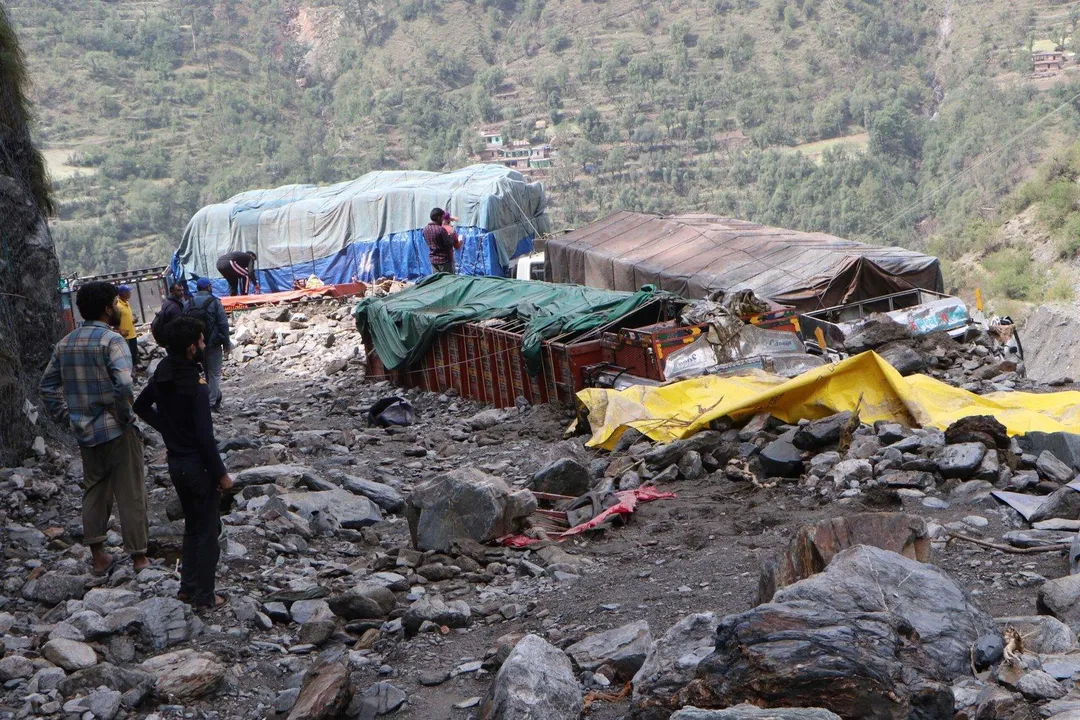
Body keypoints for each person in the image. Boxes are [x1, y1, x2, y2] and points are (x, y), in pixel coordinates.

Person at [39, 281, 149, 575]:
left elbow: (47, 387)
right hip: (117, 428)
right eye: (114, 303)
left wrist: (66, 416)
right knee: (131, 491)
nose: (117, 307)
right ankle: (139, 558)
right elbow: (124, 384)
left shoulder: (65, 344)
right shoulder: (112, 341)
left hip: (85, 432)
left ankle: (99, 558)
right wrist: (126, 415)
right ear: (106, 308)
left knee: (95, 490)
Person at [134, 317, 232, 609]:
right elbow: (205, 436)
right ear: (192, 347)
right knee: (208, 531)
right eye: (201, 341)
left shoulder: (164, 371)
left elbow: (140, 405)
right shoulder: (196, 384)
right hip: (197, 466)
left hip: (176, 463)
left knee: (192, 526)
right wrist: (222, 474)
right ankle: (205, 595)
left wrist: (167, 428)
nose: (203, 345)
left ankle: (187, 588)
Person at [186, 278, 230, 411]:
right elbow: (223, 323)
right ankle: (211, 403)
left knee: (206, 372)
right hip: (213, 343)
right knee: (214, 373)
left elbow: (184, 323)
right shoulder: (215, 302)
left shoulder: (189, 303)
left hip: (197, 344)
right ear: (209, 287)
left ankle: (214, 397)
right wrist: (226, 342)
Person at [423, 207, 462, 274]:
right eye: (441, 217)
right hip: (444, 261)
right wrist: (454, 238)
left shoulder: (425, 229)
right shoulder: (441, 230)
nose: (442, 219)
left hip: (433, 260)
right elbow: (449, 244)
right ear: (438, 217)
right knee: (447, 281)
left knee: (437, 281)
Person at [116, 285, 139, 369]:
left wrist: (133, 320)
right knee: (127, 356)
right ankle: (128, 374)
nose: (130, 293)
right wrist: (119, 331)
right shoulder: (118, 306)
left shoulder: (127, 303)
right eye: (128, 291)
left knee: (133, 354)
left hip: (132, 334)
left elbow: (126, 317)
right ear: (123, 293)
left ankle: (134, 373)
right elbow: (114, 322)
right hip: (125, 336)